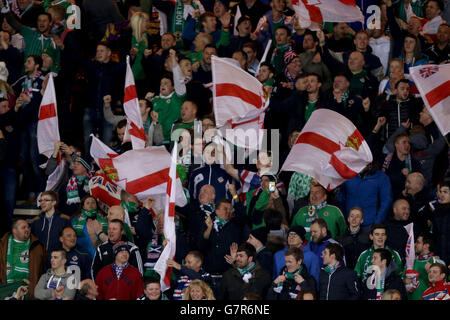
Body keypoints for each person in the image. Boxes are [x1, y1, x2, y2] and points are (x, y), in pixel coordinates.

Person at [338, 163, 392, 231]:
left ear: (369, 163)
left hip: (370, 224)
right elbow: (341, 198)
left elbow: (386, 201)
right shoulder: (348, 174)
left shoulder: (381, 177)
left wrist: (377, 222)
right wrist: (345, 218)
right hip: (349, 223)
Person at [0, 218, 45, 299]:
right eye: (23, 227)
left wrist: (33, 285)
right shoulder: (2, 244)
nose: (27, 230)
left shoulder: (37, 246)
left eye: (28, 227)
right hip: (5, 288)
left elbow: (42, 270)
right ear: (14, 230)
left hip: (27, 289)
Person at [404, 232, 440, 300]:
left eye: (418, 242)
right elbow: (402, 279)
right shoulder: (411, 260)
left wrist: (431, 272)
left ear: (426, 245)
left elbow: (443, 286)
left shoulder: (436, 262)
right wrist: (405, 281)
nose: (415, 244)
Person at [431, 178, 450, 266]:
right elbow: (435, 236)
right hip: (440, 256)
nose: (441, 194)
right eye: (440, 191)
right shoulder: (436, 211)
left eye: (445, 192)